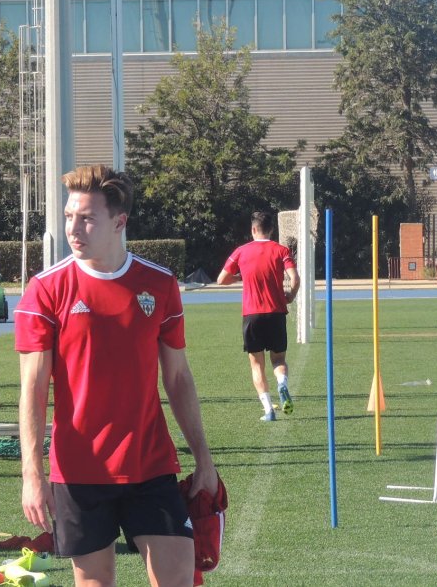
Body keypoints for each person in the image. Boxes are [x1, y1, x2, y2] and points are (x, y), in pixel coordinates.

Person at [15, 164, 217, 587]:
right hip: (79, 472)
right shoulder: (45, 289)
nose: (74, 228)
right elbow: (33, 391)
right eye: (70, 216)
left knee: (179, 577)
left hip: (151, 464)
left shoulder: (159, 284)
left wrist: (204, 459)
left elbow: (178, 378)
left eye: (87, 218)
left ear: (119, 222)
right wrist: (32, 475)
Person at [216, 211, 301, 422]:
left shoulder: (241, 251)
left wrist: (240, 276)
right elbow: (295, 278)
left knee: (256, 365)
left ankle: (268, 411)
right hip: (276, 313)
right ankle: (282, 383)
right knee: (279, 359)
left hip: (252, 314)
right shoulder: (281, 250)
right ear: (271, 230)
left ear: (253, 229)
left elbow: (221, 280)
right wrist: (290, 295)